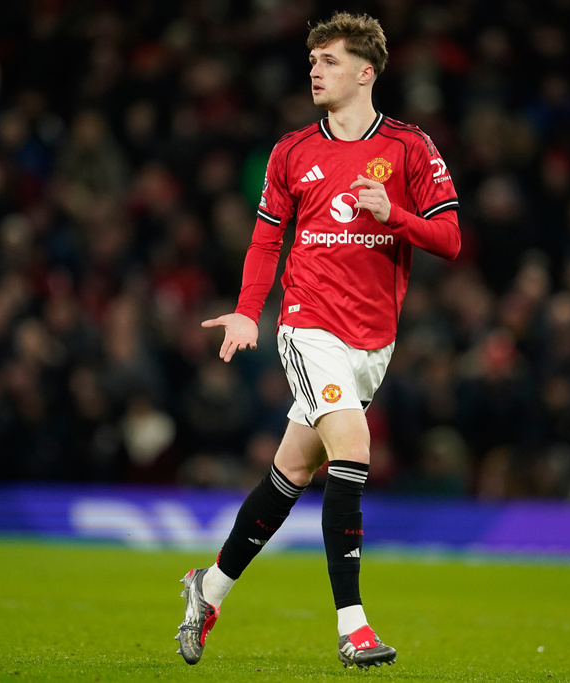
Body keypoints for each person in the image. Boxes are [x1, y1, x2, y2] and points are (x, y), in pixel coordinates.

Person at [175, 11, 460, 670]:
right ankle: (353, 626)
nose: (315, 69)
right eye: (312, 60)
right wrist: (250, 311)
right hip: (307, 325)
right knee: (353, 445)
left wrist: (396, 215)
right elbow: (266, 238)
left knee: (294, 470)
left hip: (373, 342)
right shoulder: (292, 152)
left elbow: (450, 238)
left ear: (366, 72)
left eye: (328, 60)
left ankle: (207, 588)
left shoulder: (412, 149)